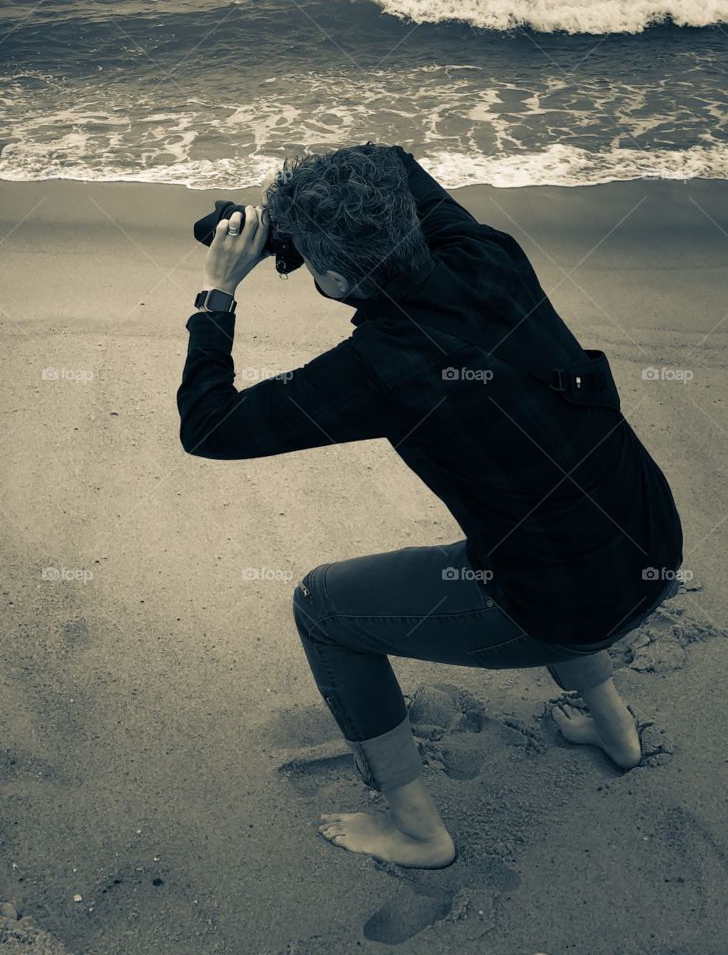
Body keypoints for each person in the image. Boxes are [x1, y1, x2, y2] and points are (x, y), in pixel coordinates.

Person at [176, 142, 683, 869]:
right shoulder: (489, 256)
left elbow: (210, 427)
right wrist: (298, 223)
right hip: (652, 539)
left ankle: (418, 831)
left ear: (336, 281)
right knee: (551, 520)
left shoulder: (380, 367)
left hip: (560, 606)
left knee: (322, 607)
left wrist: (219, 290)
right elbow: (392, 160)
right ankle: (615, 730)